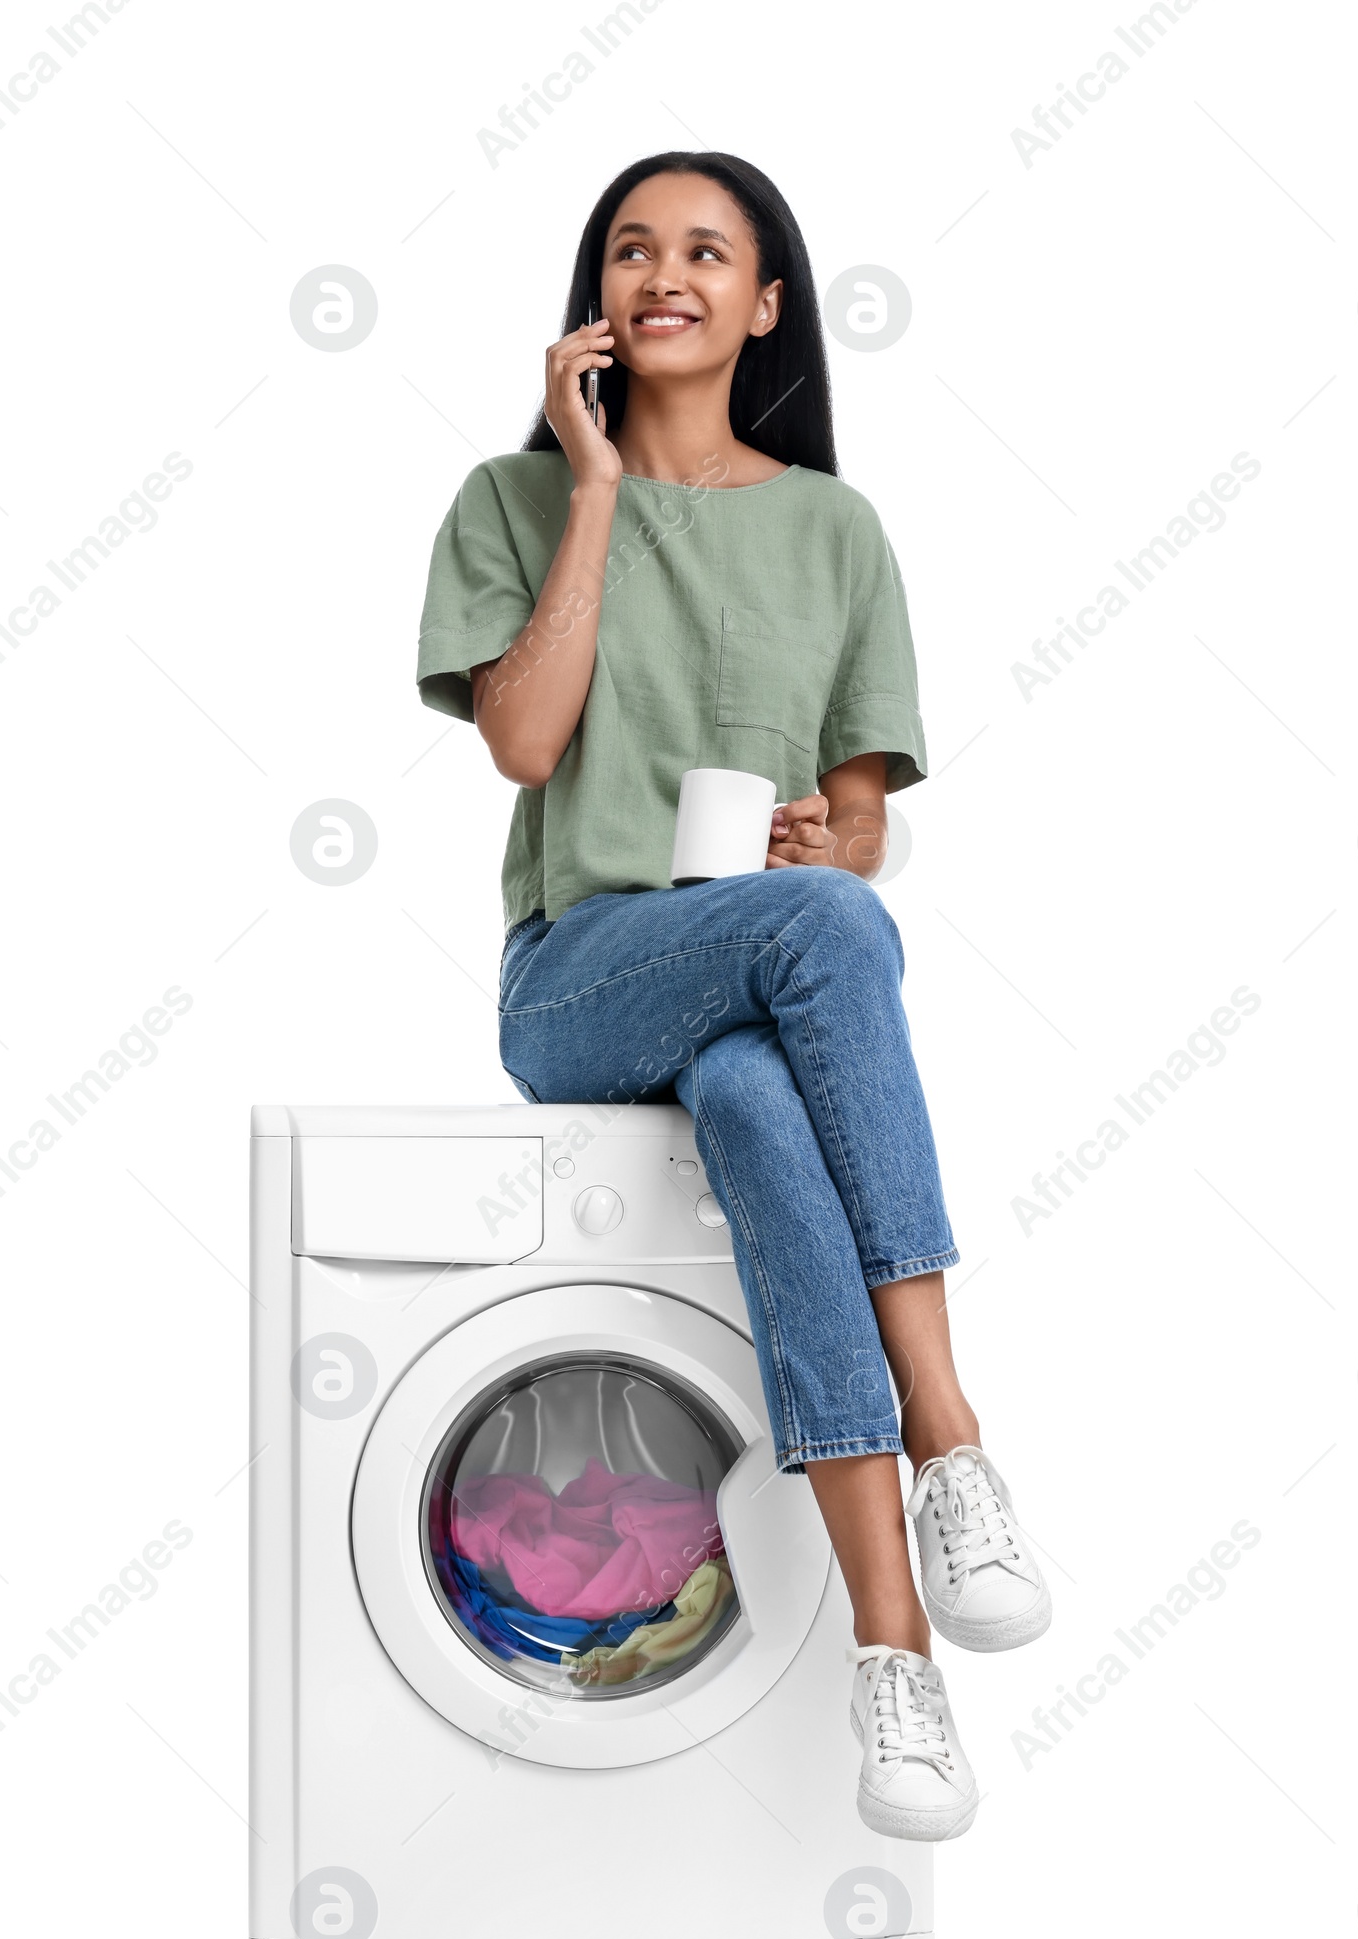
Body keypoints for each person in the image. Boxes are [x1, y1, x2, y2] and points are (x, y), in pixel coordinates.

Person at [414, 151, 1050, 1842]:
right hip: (574, 984)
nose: (662, 271)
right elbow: (526, 745)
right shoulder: (513, 497)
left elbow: (860, 825)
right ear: (596, 297)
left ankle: (893, 1667)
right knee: (825, 946)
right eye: (631, 248)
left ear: (768, 305)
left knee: (772, 1091)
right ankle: (953, 1437)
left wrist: (824, 840)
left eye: (706, 250)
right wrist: (598, 486)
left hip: (755, 978)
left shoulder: (837, 530)